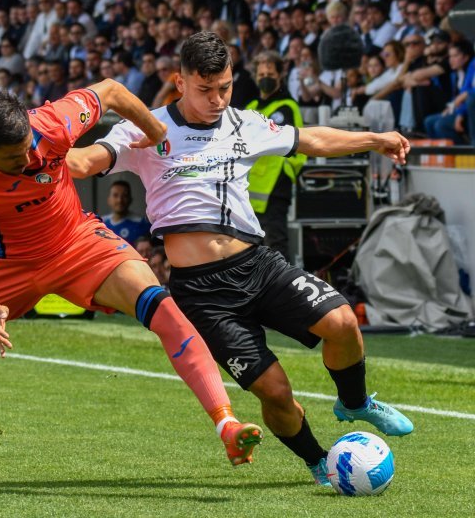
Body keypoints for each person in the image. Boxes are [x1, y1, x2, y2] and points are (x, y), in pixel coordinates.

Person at [0, 81, 263, 488]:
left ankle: (225, 423)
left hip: (75, 243)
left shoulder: (52, 122)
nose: (30, 158)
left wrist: (156, 133)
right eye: (14, 159)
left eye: (29, 147)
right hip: (2, 267)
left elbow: (113, 92)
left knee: (164, 308)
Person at [66, 31, 414, 486]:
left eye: (224, 87)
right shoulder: (146, 128)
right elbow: (86, 161)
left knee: (345, 323)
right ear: (180, 81)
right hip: (203, 294)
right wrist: (35, 150)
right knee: (276, 392)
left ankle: (355, 402)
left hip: (259, 266)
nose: (216, 99)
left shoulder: (244, 123)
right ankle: (319, 463)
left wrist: (375, 139)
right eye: (204, 89)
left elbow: (312, 140)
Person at [246, 51, 306, 259]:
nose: (265, 78)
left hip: (276, 185)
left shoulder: (286, 107)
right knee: (252, 247)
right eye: (261, 74)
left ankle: (284, 289)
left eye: (270, 73)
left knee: (276, 244)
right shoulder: (251, 108)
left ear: (280, 75)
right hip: (251, 187)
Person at [100, 180, 150, 245]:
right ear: (109, 200)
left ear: (130, 199)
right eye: (115, 195)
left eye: (124, 195)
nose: (120, 200)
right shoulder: (100, 223)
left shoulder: (142, 224)